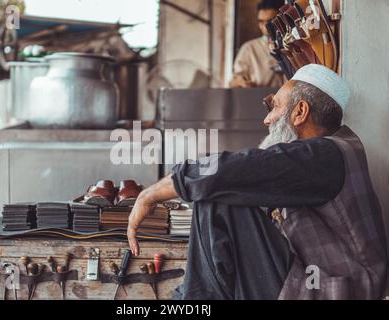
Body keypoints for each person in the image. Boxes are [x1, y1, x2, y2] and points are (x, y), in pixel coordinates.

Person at [127, 64, 388, 300]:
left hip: (335, 291)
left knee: (217, 192)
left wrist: (149, 195)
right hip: (318, 280)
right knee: (226, 192)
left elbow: (231, 170)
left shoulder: (325, 155)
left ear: (300, 112)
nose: (267, 119)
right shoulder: (330, 151)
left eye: (273, 106)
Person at [230, 0, 285, 88]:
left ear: (282, 19)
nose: (265, 26)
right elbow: (233, 83)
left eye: (270, 21)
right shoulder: (249, 49)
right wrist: (241, 82)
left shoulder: (295, 46)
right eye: (261, 22)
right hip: (259, 99)